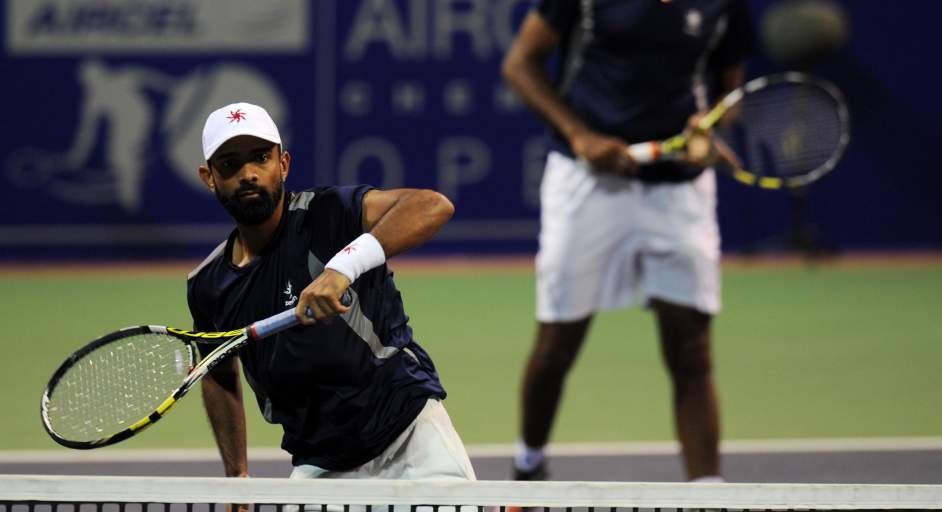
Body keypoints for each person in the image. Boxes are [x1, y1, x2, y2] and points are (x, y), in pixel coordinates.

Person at [501, 0, 754, 482]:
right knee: (557, 345)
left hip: (679, 190)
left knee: (692, 350)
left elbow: (729, 89)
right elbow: (519, 63)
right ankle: (528, 467)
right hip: (586, 181)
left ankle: (708, 493)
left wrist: (709, 129)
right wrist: (579, 135)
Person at [186, 102, 476, 486]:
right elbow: (218, 374)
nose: (249, 174)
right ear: (209, 177)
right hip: (320, 465)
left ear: (283, 164)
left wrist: (343, 268)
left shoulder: (328, 214)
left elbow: (431, 206)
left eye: (261, 158)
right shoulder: (209, 285)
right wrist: (235, 474)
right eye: (230, 164)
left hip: (410, 439)